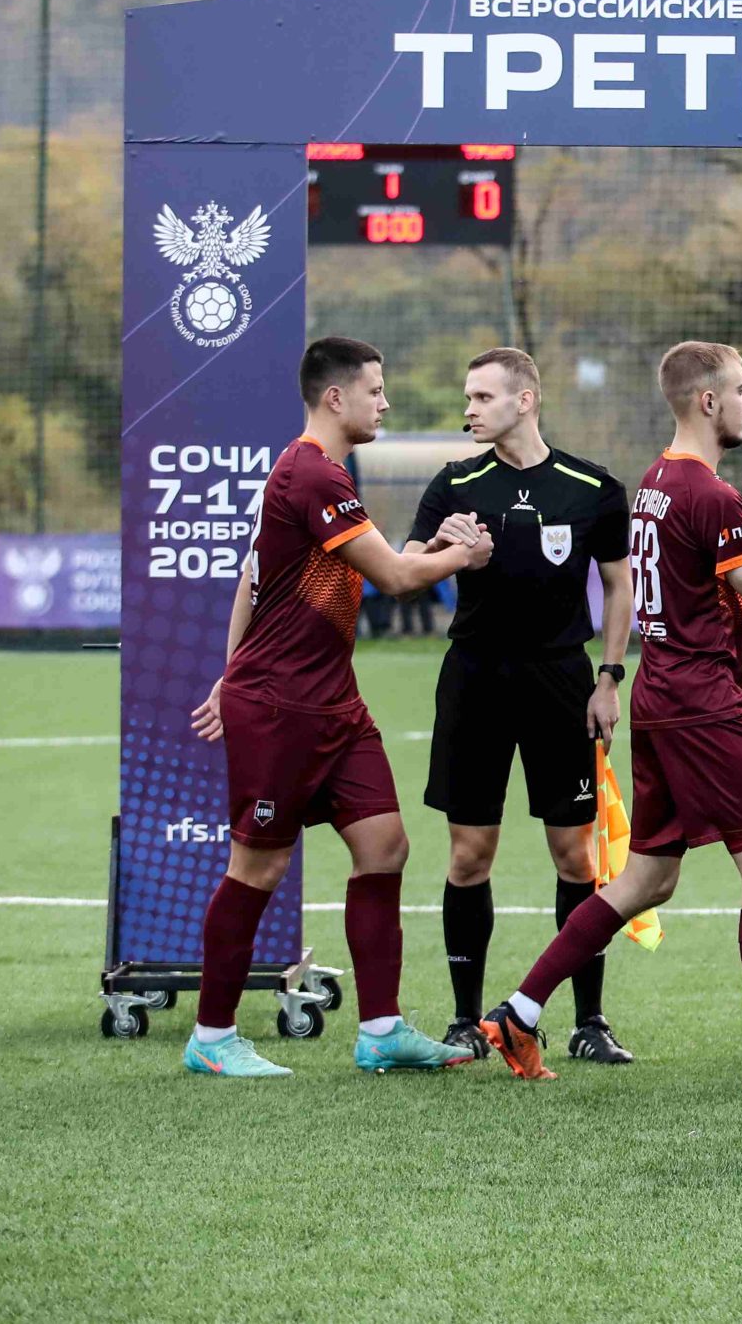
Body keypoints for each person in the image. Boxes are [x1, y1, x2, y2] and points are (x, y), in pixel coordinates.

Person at [478, 341, 742, 1090]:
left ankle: (518, 1009)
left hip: (665, 694)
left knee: (647, 878)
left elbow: (692, 596)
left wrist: (737, 678)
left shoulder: (656, 482)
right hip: (698, 706)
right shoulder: (709, 495)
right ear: (708, 401)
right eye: (740, 388)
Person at [182, 336, 493, 1079]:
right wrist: (463, 555)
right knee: (258, 865)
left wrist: (229, 673)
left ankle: (380, 1030)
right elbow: (395, 577)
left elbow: (255, 576)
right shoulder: (312, 472)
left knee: (384, 845)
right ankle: (211, 1037)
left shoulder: (321, 474)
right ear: (335, 397)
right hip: (281, 707)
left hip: (333, 703)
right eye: (375, 390)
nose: (384, 403)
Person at [404, 348, 633, 1067]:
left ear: (525, 399)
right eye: (468, 396)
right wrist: (444, 547)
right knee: (469, 854)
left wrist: (609, 677)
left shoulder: (592, 486)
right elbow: (408, 564)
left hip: (561, 680)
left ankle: (589, 1020)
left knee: (575, 853)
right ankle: (464, 1019)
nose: (468, 409)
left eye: (482, 396)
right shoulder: (455, 483)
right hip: (474, 679)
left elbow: (619, 586)